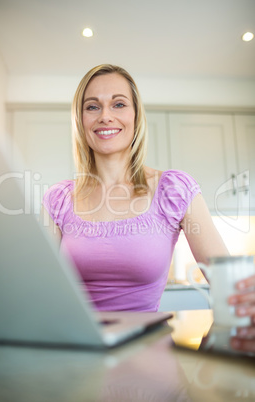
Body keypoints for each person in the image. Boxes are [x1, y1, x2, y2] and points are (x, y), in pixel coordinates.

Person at [41, 64, 254, 321]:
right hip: (75, 349)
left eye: (118, 104)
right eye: (92, 106)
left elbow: (230, 286)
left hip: (147, 350)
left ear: (136, 115)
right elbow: (36, 289)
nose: (105, 116)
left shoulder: (174, 190)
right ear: (80, 119)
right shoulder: (59, 199)